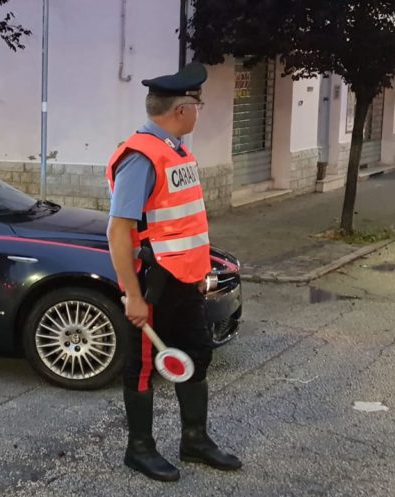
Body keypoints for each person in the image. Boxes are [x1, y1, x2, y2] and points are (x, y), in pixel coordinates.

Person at [105, 62, 242, 481]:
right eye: (197, 104)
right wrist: (132, 294)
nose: (200, 111)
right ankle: (139, 449)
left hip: (184, 281)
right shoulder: (141, 157)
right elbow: (119, 230)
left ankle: (194, 440)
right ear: (182, 110)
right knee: (143, 367)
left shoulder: (177, 151)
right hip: (153, 284)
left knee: (197, 356)